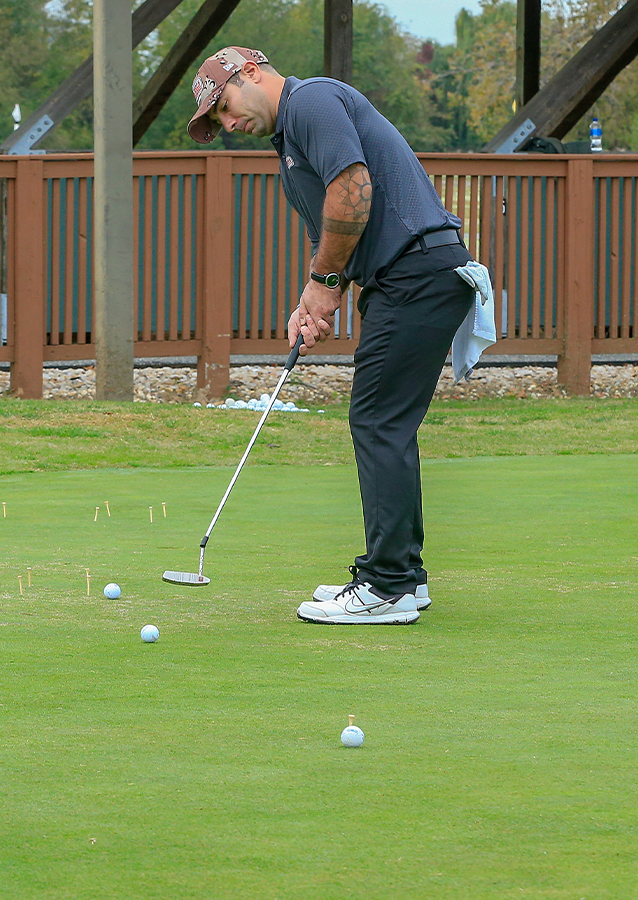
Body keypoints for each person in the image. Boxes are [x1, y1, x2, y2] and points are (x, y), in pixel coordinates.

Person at [187, 46, 475, 625]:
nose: (227, 124)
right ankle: (404, 577)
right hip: (409, 277)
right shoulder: (290, 138)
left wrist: (322, 284)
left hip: (417, 275)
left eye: (223, 108)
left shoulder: (310, 99)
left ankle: (387, 585)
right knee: (386, 421)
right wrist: (316, 298)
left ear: (249, 74)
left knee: (377, 422)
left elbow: (353, 187)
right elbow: (340, 231)